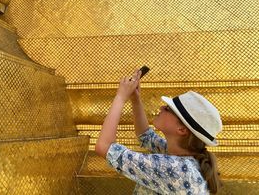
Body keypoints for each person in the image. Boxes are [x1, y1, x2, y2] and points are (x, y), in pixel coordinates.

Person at [95, 69, 223, 194]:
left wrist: (121, 97)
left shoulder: (176, 170)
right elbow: (146, 136)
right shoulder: (181, 157)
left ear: (182, 129)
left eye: (168, 109)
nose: (162, 107)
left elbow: (104, 147)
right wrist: (135, 99)